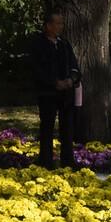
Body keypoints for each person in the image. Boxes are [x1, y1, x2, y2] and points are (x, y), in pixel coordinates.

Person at [27, 10, 81, 169]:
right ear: (48, 25)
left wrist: (70, 80)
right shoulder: (38, 44)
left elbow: (75, 67)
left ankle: (68, 161)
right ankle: (46, 161)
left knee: (68, 127)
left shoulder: (64, 44)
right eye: (57, 23)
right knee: (47, 127)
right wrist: (53, 82)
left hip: (66, 94)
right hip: (47, 93)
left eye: (61, 23)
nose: (60, 26)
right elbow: (36, 69)